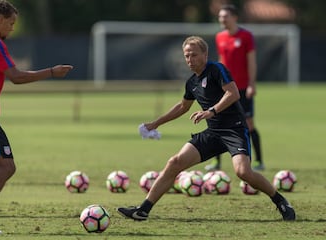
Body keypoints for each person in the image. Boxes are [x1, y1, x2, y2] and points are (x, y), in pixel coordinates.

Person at [117, 36, 295, 222]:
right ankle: (143, 210)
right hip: (213, 133)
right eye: (186, 56)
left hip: (234, 130)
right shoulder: (192, 83)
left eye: (194, 55)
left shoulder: (217, 69)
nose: (189, 60)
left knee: (243, 172)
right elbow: (182, 107)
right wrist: (156, 123)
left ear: (205, 54)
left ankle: (280, 201)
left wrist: (212, 110)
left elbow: (233, 93)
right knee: (175, 162)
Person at [0, 0, 73, 236]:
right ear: (1, 19)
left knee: (4, 166)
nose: (12, 28)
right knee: (6, 167)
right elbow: (17, 77)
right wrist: (52, 72)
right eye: (11, 23)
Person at [205, 4, 264, 171]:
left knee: (248, 123)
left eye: (225, 16)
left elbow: (251, 61)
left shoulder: (246, 36)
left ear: (234, 17)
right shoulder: (220, 37)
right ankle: (216, 162)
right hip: (225, 89)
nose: (222, 19)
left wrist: (252, 84)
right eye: (220, 17)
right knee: (217, 121)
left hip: (243, 88)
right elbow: (222, 61)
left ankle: (259, 161)